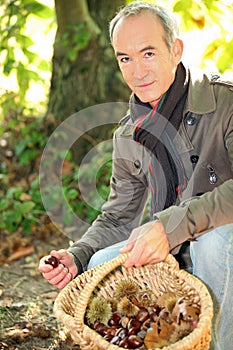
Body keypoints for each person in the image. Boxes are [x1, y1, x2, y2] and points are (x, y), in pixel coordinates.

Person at [39, 2, 233, 349]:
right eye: (124, 58)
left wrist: (169, 226)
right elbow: (118, 217)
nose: (137, 71)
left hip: (223, 254)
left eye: (148, 53)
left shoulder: (224, 103)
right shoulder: (129, 135)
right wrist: (78, 255)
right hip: (179, 260)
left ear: (175, 50)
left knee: (214, 240)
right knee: (102, 263)